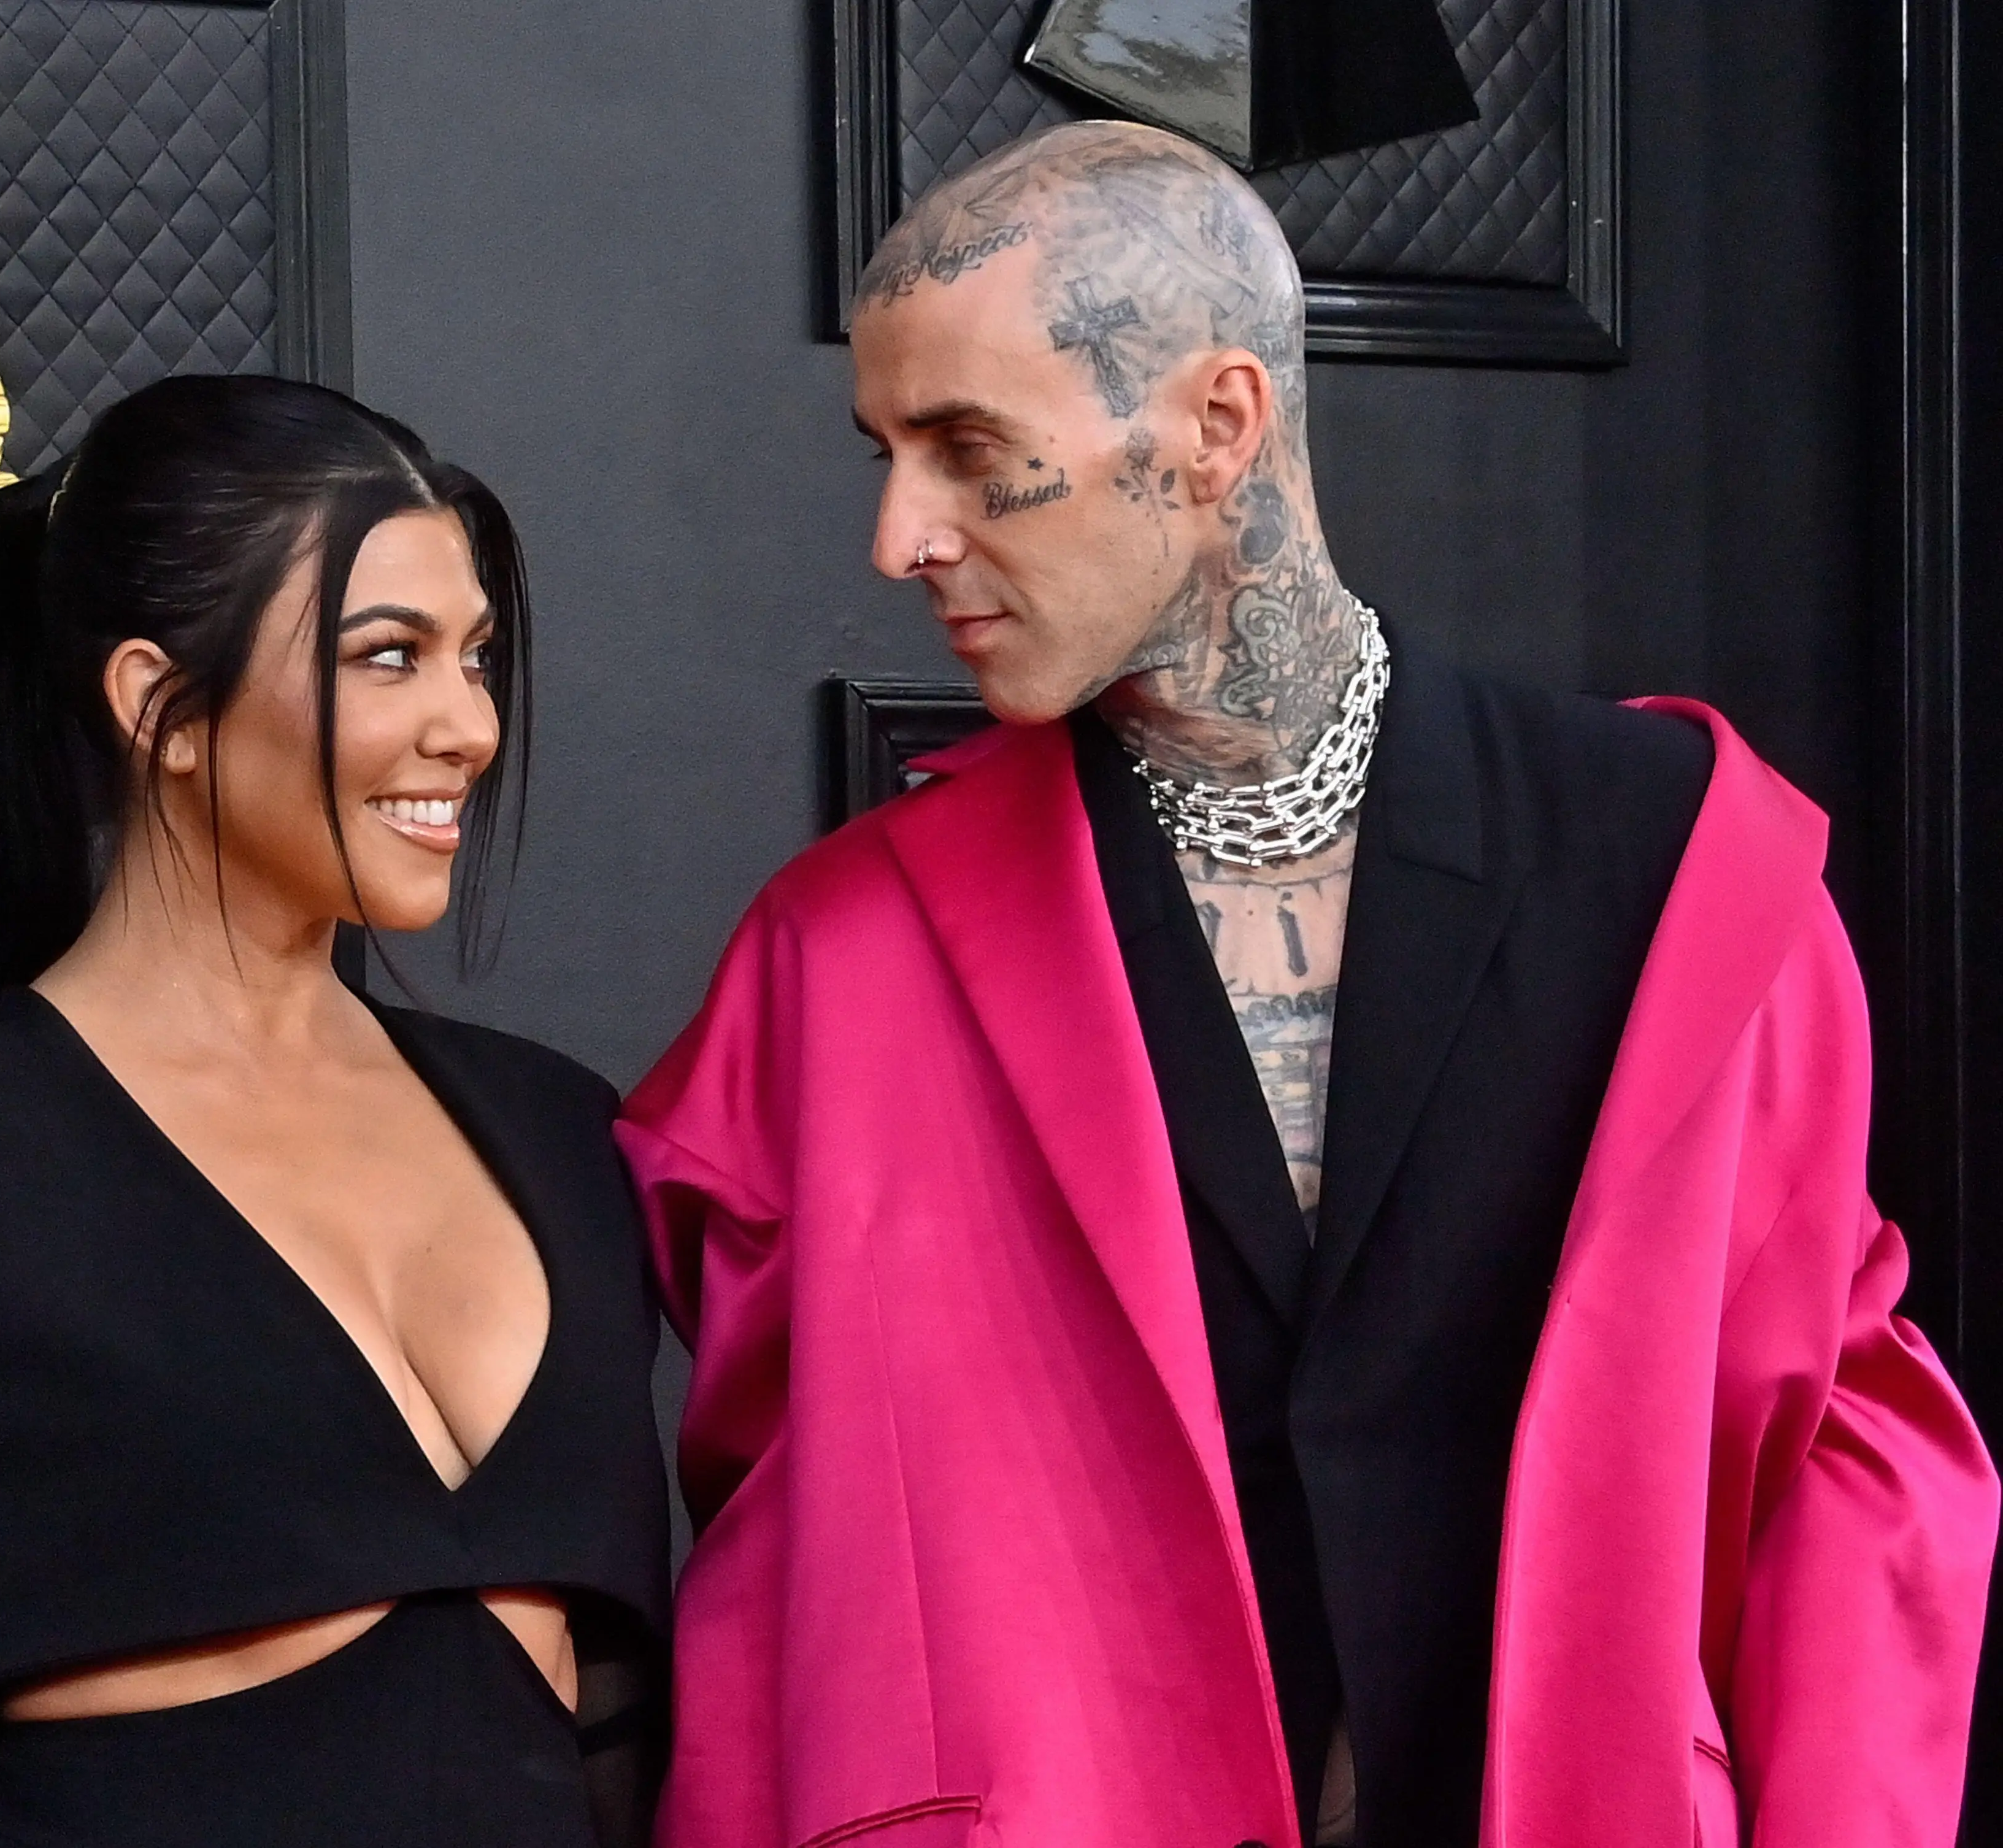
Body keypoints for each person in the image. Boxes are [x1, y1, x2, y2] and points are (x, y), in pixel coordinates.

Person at [619, 122, 1997, 1848]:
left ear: (1217, 425)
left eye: (972, 452)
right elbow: (779, 1539)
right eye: (886, 453)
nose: (903, 535)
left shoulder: (1681, 876)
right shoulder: (846, 957)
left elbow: (1841, 1469)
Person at [0, 375, 671, 1848]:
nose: (469, 726)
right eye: (389, 657)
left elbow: (623, 1749)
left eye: (475, 657)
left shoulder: (561, 1132)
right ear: (159, 706)